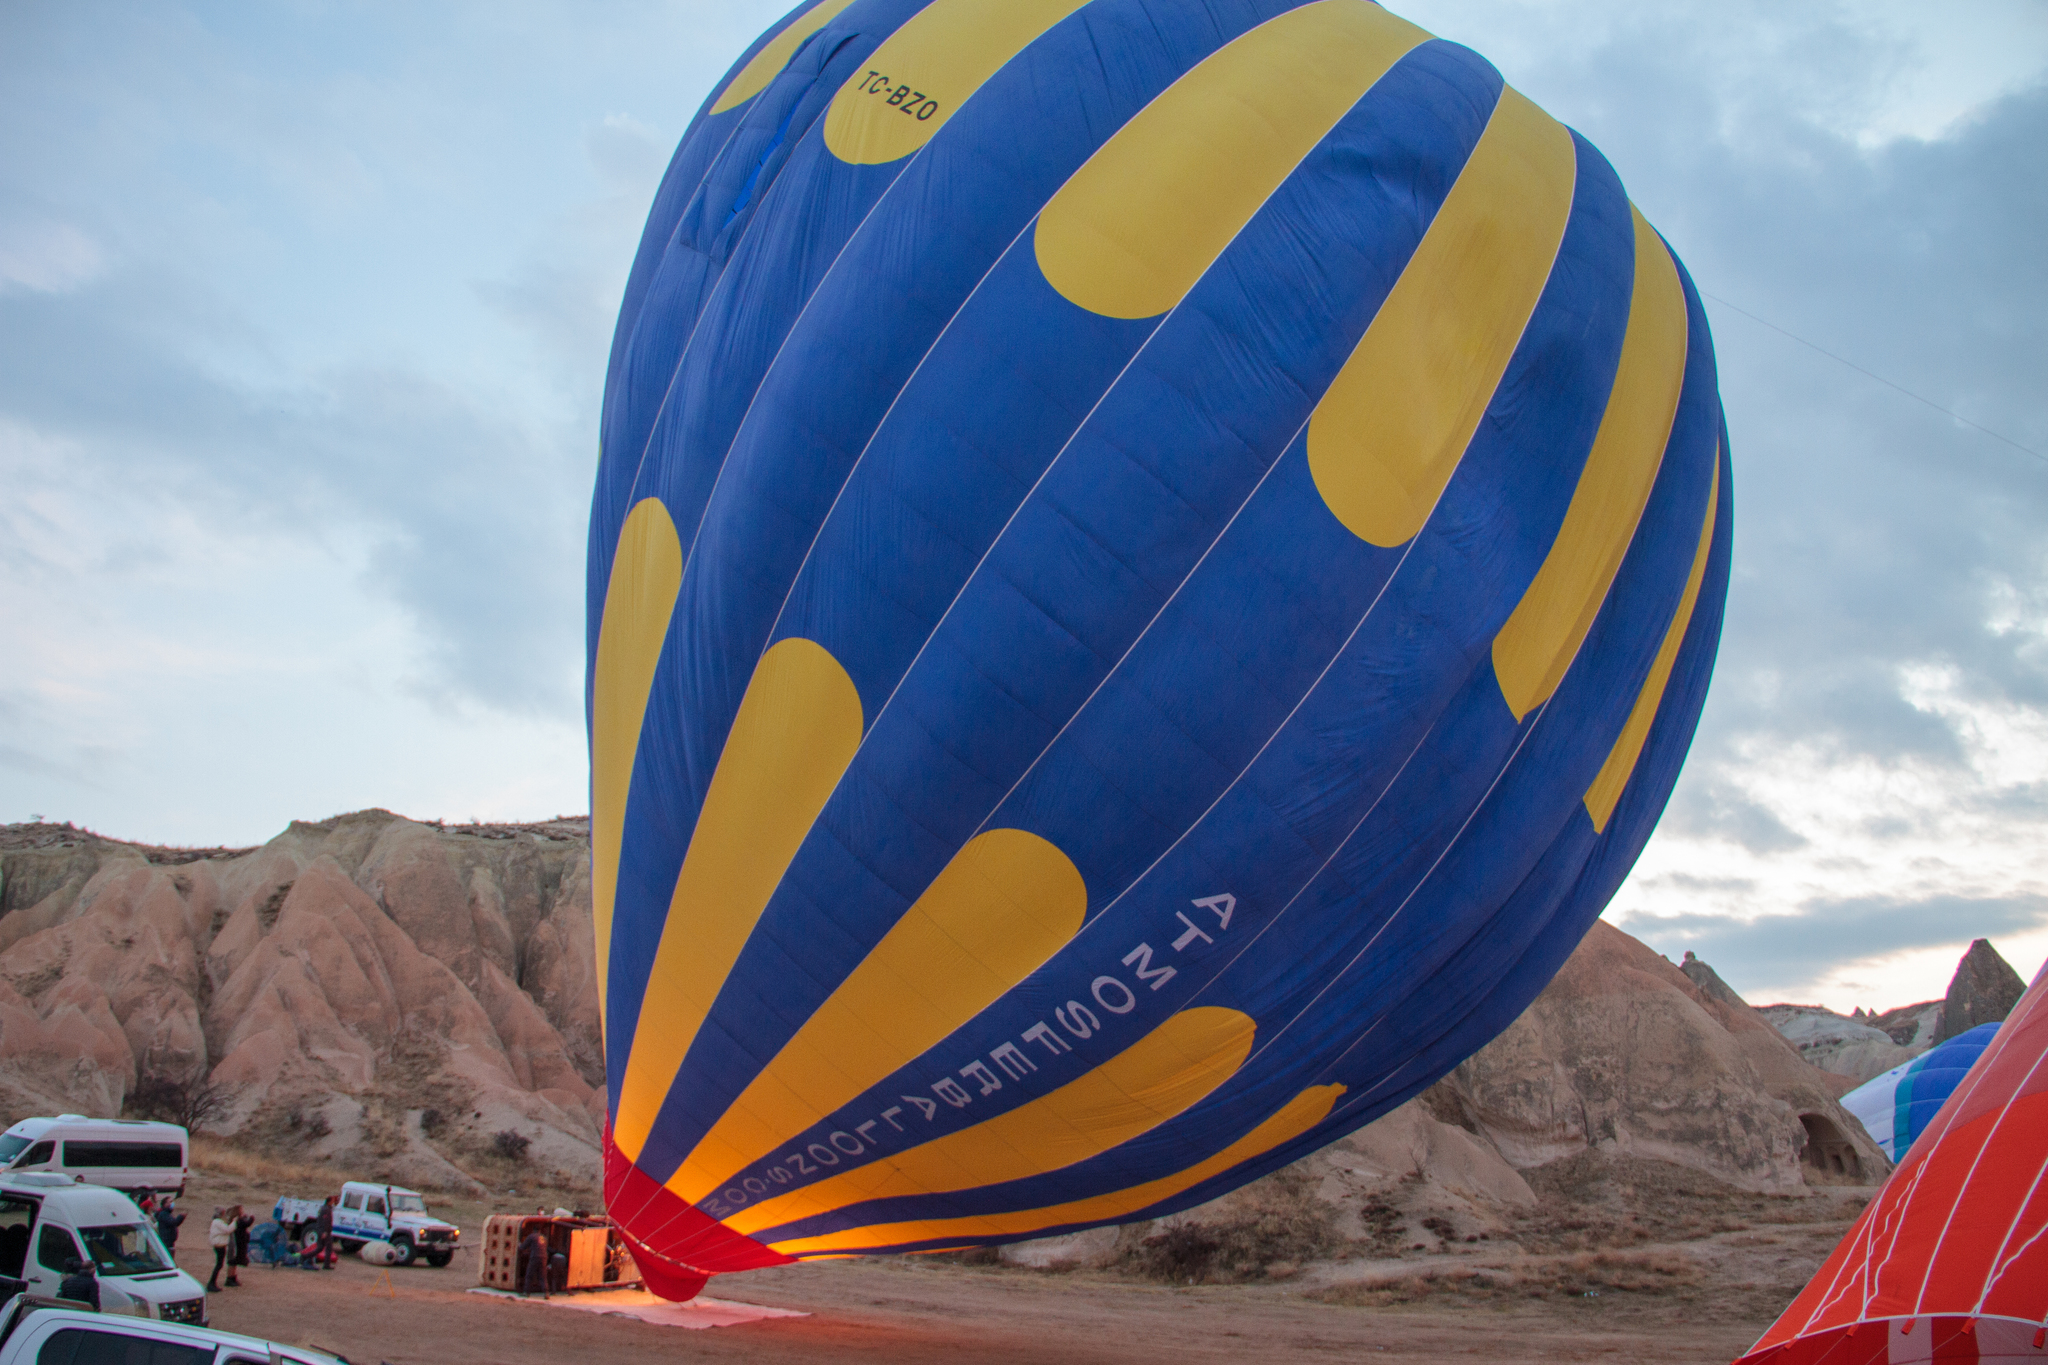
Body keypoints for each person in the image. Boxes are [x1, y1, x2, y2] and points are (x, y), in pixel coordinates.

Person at [518, 1226, 549, 1298]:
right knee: (543, 1276)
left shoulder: (531, 1236)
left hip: (535, 1257)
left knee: (529, 1275)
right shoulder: (544, 1238)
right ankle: (546, 1293)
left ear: (533, 1230)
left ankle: (526, 1292)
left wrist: (519, 1245)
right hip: (544, 1257)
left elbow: (523, 1247)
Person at [206, 1207, 232, 1293]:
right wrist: (234, 1222)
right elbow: (227, 1230)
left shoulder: (216, 1222)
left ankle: (212, 1283)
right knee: (219, 1265)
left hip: (219, 1244)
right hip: (220, 1245)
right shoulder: (218, 1222)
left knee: (219, 1264)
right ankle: (211, 1283)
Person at [313, 1195, 336, 1270]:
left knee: (320, 1248)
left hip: (323, 1231)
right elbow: (325, 1222)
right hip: (325, 1232)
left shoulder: (325, 1208)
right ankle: (326, 1265)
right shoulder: (326, 1210)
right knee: (327, 1248)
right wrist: (324, 1232)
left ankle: (306, 1257)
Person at [231, 1210, 252, 1285]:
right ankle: (231, 1277)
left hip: (240, 1242)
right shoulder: (238, 1222)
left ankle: (232, 1277)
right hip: (239, 1243)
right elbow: (247, 1224)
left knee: (235, 1260)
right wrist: (251, 1218)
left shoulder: (238, 1221)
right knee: (235, 1260)